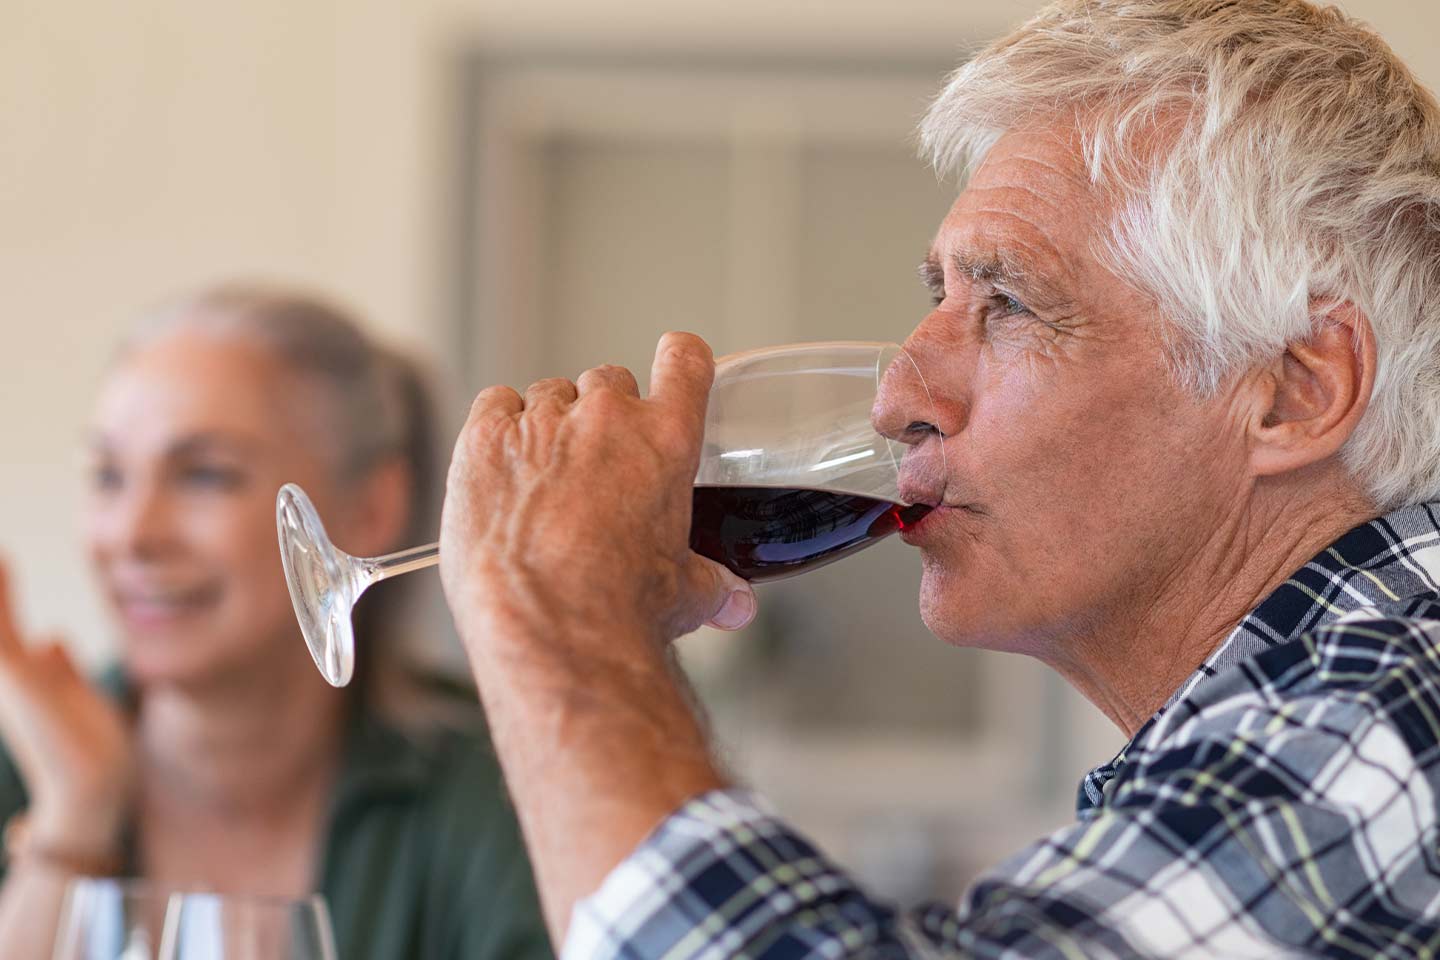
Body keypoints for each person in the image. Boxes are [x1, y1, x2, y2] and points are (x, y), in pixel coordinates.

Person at [433, 0, 1440, 956]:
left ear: (1295, 392)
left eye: (1008, 302)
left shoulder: (1394, 713)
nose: (896, 396)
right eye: (940, 293)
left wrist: (559, 618)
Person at [0, 284, 551, 959]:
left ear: (373, 507)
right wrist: (74, 818)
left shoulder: (501, 789)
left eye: (204, 475)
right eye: (108, 475)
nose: (132, 535)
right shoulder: (20, 774)